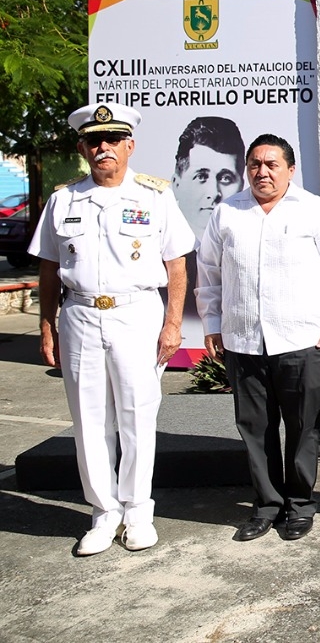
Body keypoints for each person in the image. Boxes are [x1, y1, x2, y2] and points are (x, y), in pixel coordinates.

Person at [29, 103, 195, 556]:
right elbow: (48, 270)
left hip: (136, 313)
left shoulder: (154, 196)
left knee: (137, 416)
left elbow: (175, 263)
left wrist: (173, 323)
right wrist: (48, 326)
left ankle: (138, 511)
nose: (104, 148)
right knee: (88, 421)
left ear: (129, 146)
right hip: (80, 315)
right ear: (83, 147)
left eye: (112, 141)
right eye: (94, 141)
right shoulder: (64, 200)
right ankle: (104, 514)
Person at [196, 134, 320, 542]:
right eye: (255, 165)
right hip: (244, 341)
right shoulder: (227, 212)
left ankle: (300, 505)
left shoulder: (314, 211)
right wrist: (212, 323)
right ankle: (266, 505)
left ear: (290, 169)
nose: (262, 172)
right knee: (254, 427)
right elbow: (209, 273)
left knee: (303, 427)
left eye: (271, 164)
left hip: (300, 340)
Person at [172, 116, 245, 242]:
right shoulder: (156, 241)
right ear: (176, 185)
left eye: (226, 178)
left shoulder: (252, 241)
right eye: (201, 176)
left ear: (241, 186)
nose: (213, 193)